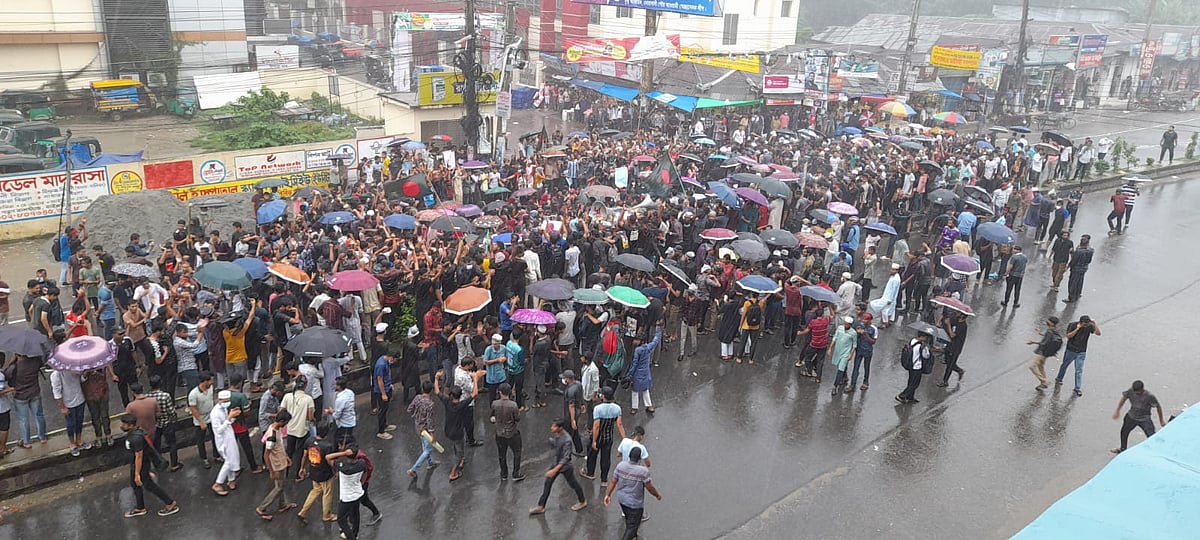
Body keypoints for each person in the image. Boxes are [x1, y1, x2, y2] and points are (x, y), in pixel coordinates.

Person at [118, 414, 180, 518]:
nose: (122, 426)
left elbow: (139, 456)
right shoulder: (134, 433)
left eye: (124, 424)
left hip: (140, 465)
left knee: (148, 485)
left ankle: (170, 503)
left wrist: (138, 474)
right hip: (139, 465)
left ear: (131, 425)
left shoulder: (136, 438)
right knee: (136, 485)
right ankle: (140, 507)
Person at [529, 418, 588, 515]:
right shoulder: (559, 435)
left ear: (560, 428)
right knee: (547, 484)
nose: (551, 428)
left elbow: (566, 458)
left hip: (565, 467)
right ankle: (541, 506)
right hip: (556, 463)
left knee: (573, 484)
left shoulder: (567, 440)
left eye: (554, 426)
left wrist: (554, 470)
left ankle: (582, 501)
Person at [256, 409, 297, 521]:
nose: (286, 425)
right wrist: (271, 470)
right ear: (282, 421)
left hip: (281, 462)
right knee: (278, 488)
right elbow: (266, 455)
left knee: (281, 485)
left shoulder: (276, 428)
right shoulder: (272, 435)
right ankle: (262, 507)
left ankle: (282, 505)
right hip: (277, 465)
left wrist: (287, 457)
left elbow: (280, 446)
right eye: (286, 422)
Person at [584, 387, 625, 486]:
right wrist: (624, 438)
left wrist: (594, 440)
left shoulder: (598, 408)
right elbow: (619, 424)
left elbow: (596, 426)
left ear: (603, 396)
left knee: (592, 456)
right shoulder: (617, 408)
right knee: (606, 458)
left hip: (598, 437)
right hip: (608, 437)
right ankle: (604, 480)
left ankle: (590, 473)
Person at [1111, 380, 1165, 454]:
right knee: (1124, 432)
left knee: (1151, 436)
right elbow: (1124, 398)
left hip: (1144, 419)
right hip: (1131, 416)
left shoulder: (1149, 396)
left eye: (1137, 392)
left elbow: (1158, 407)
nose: (1135, 393)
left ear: (1142, 390)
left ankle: (1157, 452)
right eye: (1134, 391)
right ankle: (1122, 449)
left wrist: (1161, 420)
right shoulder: (1131, 391)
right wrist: (1118, 410)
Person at [328, 445, 368, 540]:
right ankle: (355, 533)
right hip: (358, 493)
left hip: (346, 497)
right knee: (355, 514)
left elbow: (328, 457)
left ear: (347, 455)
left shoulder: (342, 466)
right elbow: (365, 474)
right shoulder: (362, 464)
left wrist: (343, 453)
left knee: (341, 520)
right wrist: (360, 484)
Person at [279, 375, 314, 479]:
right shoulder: (308, 399)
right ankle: (298, 474)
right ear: (305, 386)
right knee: (300, 453)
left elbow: (281, 411)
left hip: (290, 429)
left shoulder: (287, 396)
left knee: (289, 451)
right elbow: (310, 416)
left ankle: (285, 473)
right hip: (302, 430)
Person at [1056, 315, 1101, 397]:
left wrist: (1095, 324)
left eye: (1087, 323)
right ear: (1081, 322)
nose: (1086, 325)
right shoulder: (1072, 325)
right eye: (1085, 324)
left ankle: (1077, 388)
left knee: (1079, 370)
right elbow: (1069, 336)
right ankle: (1059, 378)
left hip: (1081, 351)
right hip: (1071, 350)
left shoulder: (1089, 326)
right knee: (1065, 365)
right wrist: (1077, 328)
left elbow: (1098, 333)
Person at [210, 389, 242, 496]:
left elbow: (227, 422)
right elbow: (218, 430)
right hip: (223, 441)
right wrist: (229, 419)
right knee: (228, 462)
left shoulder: (223, 409)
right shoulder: (215, 413)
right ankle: (218, 483)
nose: (227, 403)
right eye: (225, 401)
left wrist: (233, 417)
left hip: (229, 438)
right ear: (219, 400)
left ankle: (231, 480)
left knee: (232, 459)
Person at [51, 366, 88, 456]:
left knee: (79, 421)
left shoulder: (75, 368)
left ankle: (79, 440)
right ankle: (72, 443)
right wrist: (62, 407)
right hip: (68, 403)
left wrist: (85, 373)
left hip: (80, 399)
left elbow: (81, 380)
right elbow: (57, 392)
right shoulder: (56, 374)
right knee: (71, 424)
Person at [406, 381, 439, 478]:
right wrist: (433, 434)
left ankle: (430, 463)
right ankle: (414, 469)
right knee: (428, 449)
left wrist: (416, 414)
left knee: (425, 445)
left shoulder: (417, 398)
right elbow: (430, 421)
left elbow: (410, 409)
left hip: (417, 426)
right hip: (425, 430)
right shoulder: (430, 404)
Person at [492, 382, 524, 481]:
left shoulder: (495, 403)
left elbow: (492, 415)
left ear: (500, 392)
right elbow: (517, 419)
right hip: (511, 432)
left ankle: (504, 474)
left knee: (502, 454)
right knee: (517, 452)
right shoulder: (513, 405)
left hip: (499, 433)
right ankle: (516, 473)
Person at [627, 326, 662, 414]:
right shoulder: (648, 347)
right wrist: (658, 329)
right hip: (646, 372)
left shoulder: (638, 350)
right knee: (645, 390)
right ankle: (649, 406)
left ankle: (635, 407)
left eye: (636, 339)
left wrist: (629, 374)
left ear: (641, 341)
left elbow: (634, 363)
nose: (634, 341)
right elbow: (655, 341)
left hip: (637, 373)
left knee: (635, 391)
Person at [896, 327, 933, 404]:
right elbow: (926, 356)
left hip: (911, 366)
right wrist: (927, 348)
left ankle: (910, 397)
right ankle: (902, 396)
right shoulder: (921, 346)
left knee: (911, 382)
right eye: (926, 337)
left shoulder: (912, 341)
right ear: (922, 337)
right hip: (917, 367)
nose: (926, 339)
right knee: (914, 384)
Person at [1027, 316, 1063, 391]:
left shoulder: (1049, 331)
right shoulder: (1053, 330)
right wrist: (1040, 333)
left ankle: (1044, 381)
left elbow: (1044, 343)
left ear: (1052, 323)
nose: (1047, 321)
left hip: (1042, 352)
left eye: (1049, 321)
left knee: (1032, 366)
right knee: (1041, 366)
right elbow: (1049, 337)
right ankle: (1043, 383)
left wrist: (1033, 342)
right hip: (1047, 353)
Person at [936, 311, 969, 387]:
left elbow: (952, 335)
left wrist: (948, 325)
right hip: (950, 344)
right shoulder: (957, 320)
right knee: (947, 361)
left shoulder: (963, 326)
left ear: (962, 316)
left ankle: (945, 381)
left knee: (950, 365)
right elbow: (950, 322)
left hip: (956, 348)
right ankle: (959, 370)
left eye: (959, 313)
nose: (957, 313)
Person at [847, 312, 877, 392]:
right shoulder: (860, 325)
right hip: (859, 350)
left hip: (868, 351)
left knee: (866, 367)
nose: (863, 321)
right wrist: (858, 332)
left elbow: (873, 342)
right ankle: (852, 384)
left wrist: (866, 334)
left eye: (865, 320)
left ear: (870, 320)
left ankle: (865, 382)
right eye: (863, 319)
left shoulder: (873, 329)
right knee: (855, 367)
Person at [828, 316, 857, 396]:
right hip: (838, 351)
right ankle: (845, 377)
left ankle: (835, 386)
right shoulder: (840, 328)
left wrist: (851, 355)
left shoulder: (853, 333)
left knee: (840, 369)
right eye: (845, 323)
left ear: (850, 325)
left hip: (845, 353)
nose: (845, 325)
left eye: (847, 324)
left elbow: (854, 345)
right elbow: (835, 338)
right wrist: (830, 348)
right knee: (839, 366)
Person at [372, 351, 397, 440]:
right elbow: (379, 380)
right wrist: (383, 393)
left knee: (385, 409)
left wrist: (389, 384)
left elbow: (386, 375)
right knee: (382, 410)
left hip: (387, 387)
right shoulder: (381, 365)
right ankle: (381, 431)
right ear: (391, 357)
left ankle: (384, 425)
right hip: (382, 391)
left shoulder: (385, 360)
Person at [1063, 235, 1094, 304]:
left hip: (1076, 268)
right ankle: (1078, 293)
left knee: (1072, 283)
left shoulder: (1079, 251)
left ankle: (1071, 297)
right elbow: (1089, 260)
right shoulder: (1090, 250)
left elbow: (1074, 261)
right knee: (1080, 281)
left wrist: (1068, 267)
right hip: (1084, 268)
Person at [327, 376, 356, 447]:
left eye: (335, 385)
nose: (334, 386)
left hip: (344, 424)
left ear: (339, 386)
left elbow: (337, 415)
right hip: (350, 420)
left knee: (341, 440)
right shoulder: (350, 392)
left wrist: (330, 412)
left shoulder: (340, 399)